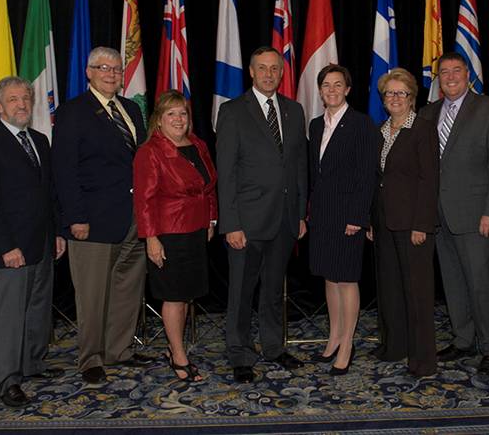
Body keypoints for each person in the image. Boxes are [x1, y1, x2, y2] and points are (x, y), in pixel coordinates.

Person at [52, 46, 150, 385]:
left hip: (133, 218)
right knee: (92, 294)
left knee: (127, 289)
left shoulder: (132, 111)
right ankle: (90, 357)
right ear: (88, 72)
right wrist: (74, 218)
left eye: (116, 68)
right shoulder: (72, 113)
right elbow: (64, 171)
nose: (111, 73)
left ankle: (118, 350)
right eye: (103, 67)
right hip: (91, 220)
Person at [0, 76, 66, 407]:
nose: (22, 104)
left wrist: (57, 233)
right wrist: (7, 246)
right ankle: (7, 381)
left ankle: (32, 363)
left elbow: (48, 193)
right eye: (13, 99)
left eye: (26, 98)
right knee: (9, 316)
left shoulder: (39, 140)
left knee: (37, 309)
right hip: (10, 248)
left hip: (41, 244)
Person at [216, 46, 308, 383]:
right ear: (251, 73)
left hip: (284, 219)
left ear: (281, 73)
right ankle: (239, 353)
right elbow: (225, 173)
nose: (269, 74)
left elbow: (299, 167)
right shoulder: (232, 111)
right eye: (262, 68)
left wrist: (299, 215)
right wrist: (231, 224)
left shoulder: (294, 111)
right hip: (247, 221)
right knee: (241, 291)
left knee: (273, 290)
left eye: (275, 69)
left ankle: (273, 347)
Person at [418, 52, 489, 378]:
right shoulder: (428, 114)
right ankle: (463, 339)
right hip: (439, 216)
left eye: (456, 70)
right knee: (454, 283)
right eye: (444, 72)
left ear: (468, 74)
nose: (450, 76)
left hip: (476, 216)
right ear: (438, 79)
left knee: (480, 283)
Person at [133, 90, 217, 381]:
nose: (178, 119)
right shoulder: (151, 152)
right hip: (168, 233)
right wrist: (151, 238)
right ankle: (179, 356)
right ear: (159, 120)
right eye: (171, 114)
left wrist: (211, 219)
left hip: (195, 230)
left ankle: (174, 347)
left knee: (185, 296)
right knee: (173, 295)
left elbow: (208, 187)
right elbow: (143, 200)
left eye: (182, 113)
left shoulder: (198, 144)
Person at [307, 64, 378, 375]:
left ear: (348, 89)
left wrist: (358, 217)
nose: (332, 90)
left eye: (338, 85)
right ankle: (334, 337)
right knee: (329, 277)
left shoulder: (362, 124)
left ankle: (348, 343)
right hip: (322, 214)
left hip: (349, 215)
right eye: (326, 85)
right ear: (320, 90)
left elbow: (367, 176)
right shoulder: (314, 126)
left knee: (347, 279)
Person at [369, 68, 439, 377]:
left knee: (417, 293)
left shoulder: (423, 129)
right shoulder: (381, 130)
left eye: (401, 93)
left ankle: (423, 358)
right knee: (390, 289)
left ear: (412, 98)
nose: (395, 98)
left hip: (413, 225)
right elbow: (377, 180)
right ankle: (394, 346)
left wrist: (422, 225)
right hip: (384, 224)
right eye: (389, 93)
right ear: (383, 99)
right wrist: (371, 221)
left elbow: (429, 181)